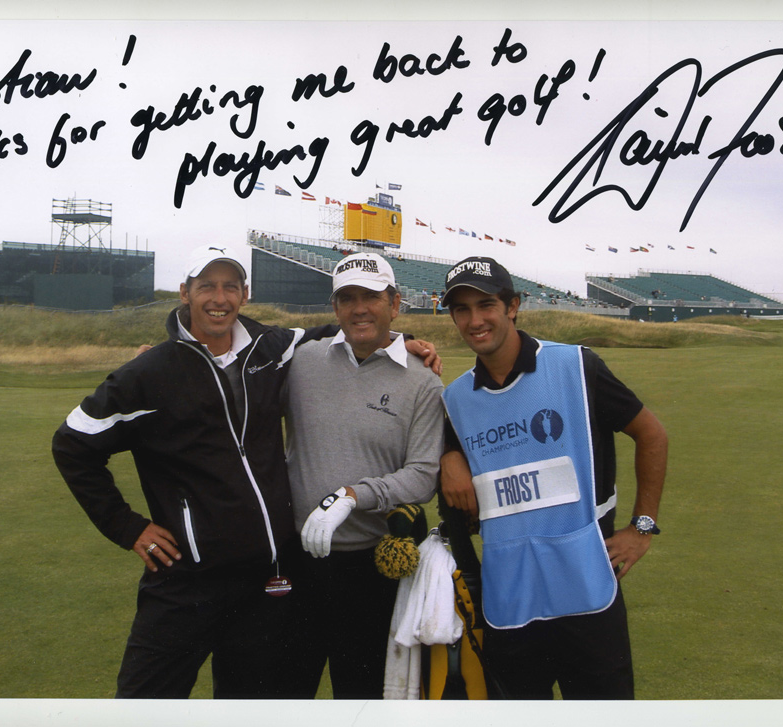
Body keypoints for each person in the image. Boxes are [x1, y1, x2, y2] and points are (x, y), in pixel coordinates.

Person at [51, 245, 345, 699]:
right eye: (206, 285)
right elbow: (72, 443)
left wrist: (403, 343)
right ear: (184, 292)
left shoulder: (271, 347)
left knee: (249, 706)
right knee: (143, 702)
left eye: (230, 286)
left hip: (263, 583)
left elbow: (342, 331)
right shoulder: (148, 372)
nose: (219, 297)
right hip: (185, 581)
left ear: (245, 294)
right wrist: (127, 526)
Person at [437, 256, 668, 700]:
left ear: (513, 306)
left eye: (485, 305)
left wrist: (643, 527)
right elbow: (456, 469)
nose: (474, 320)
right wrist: (450, 455)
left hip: (587, 592)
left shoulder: (576, 367)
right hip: (510, 602)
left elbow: (652, 435)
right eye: (461, 310)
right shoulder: (456, 399)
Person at [280, 252, 445, 699]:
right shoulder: (302, 362)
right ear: (334, 308)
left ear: (395, 303)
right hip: (298, 565)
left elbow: (423, 475)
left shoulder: (423, 382)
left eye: (371, 297)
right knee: (286, 696)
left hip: (371, 570)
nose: (359, 308)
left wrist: (354, 495)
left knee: (362, 698)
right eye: (347, 298)